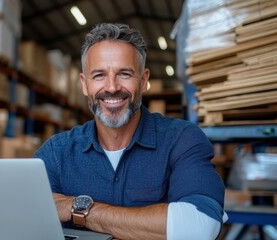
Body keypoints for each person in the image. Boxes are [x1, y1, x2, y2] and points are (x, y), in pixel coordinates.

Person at [34, 23, 226, 240]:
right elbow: (24, 217)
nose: (112, 87)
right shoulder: (56, 153)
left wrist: (78, 208)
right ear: (84, 84)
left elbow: (200, 227)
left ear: (143, 81)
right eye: (99, 75)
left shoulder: (182, 140)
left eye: (124, 74)